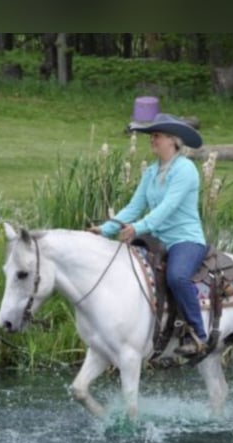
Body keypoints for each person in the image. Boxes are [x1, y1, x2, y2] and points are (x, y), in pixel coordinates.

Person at [90, 113, 209, 357]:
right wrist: (105, 229)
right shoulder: (152, 172)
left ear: (172, 141)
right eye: (152, 136)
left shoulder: (186, 170)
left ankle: (198, 334)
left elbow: (168, 208)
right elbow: (134, 207)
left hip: (184, 239)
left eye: (156, 136)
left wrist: (137, 228)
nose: (152, 140)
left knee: (177, 277)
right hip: (157, 240)